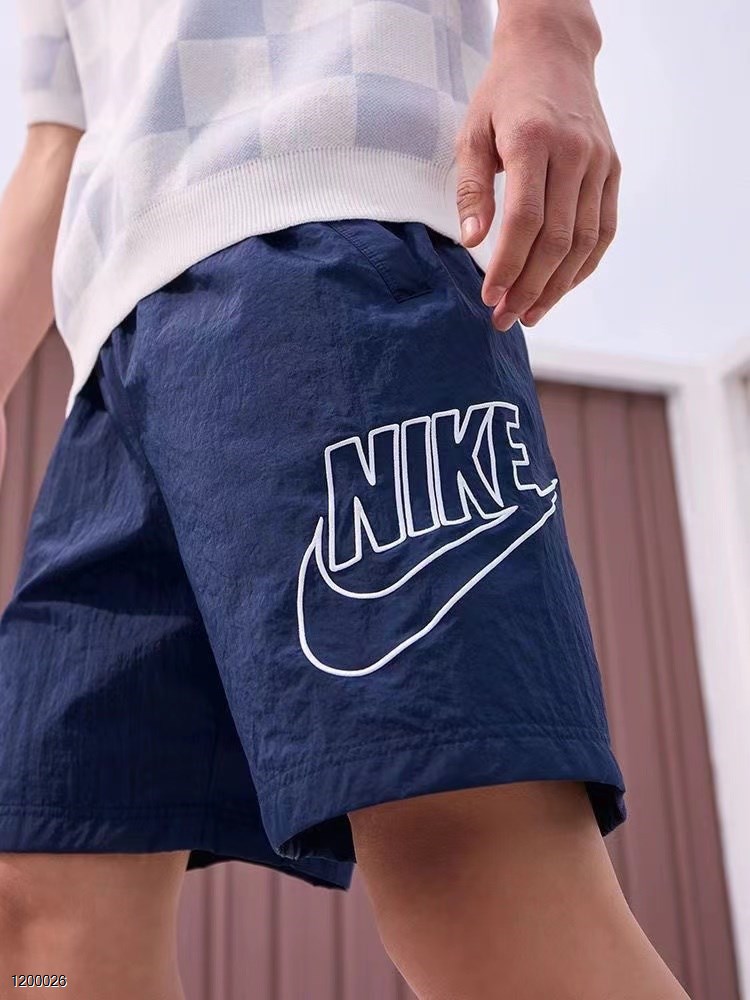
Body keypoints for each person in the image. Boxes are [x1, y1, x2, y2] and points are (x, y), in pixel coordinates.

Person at [0, 0, 689, 997]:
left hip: (330, 218)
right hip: (112, 357)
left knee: (468, 861)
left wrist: (552, 35)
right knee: (42, 909)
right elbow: (53, 151)